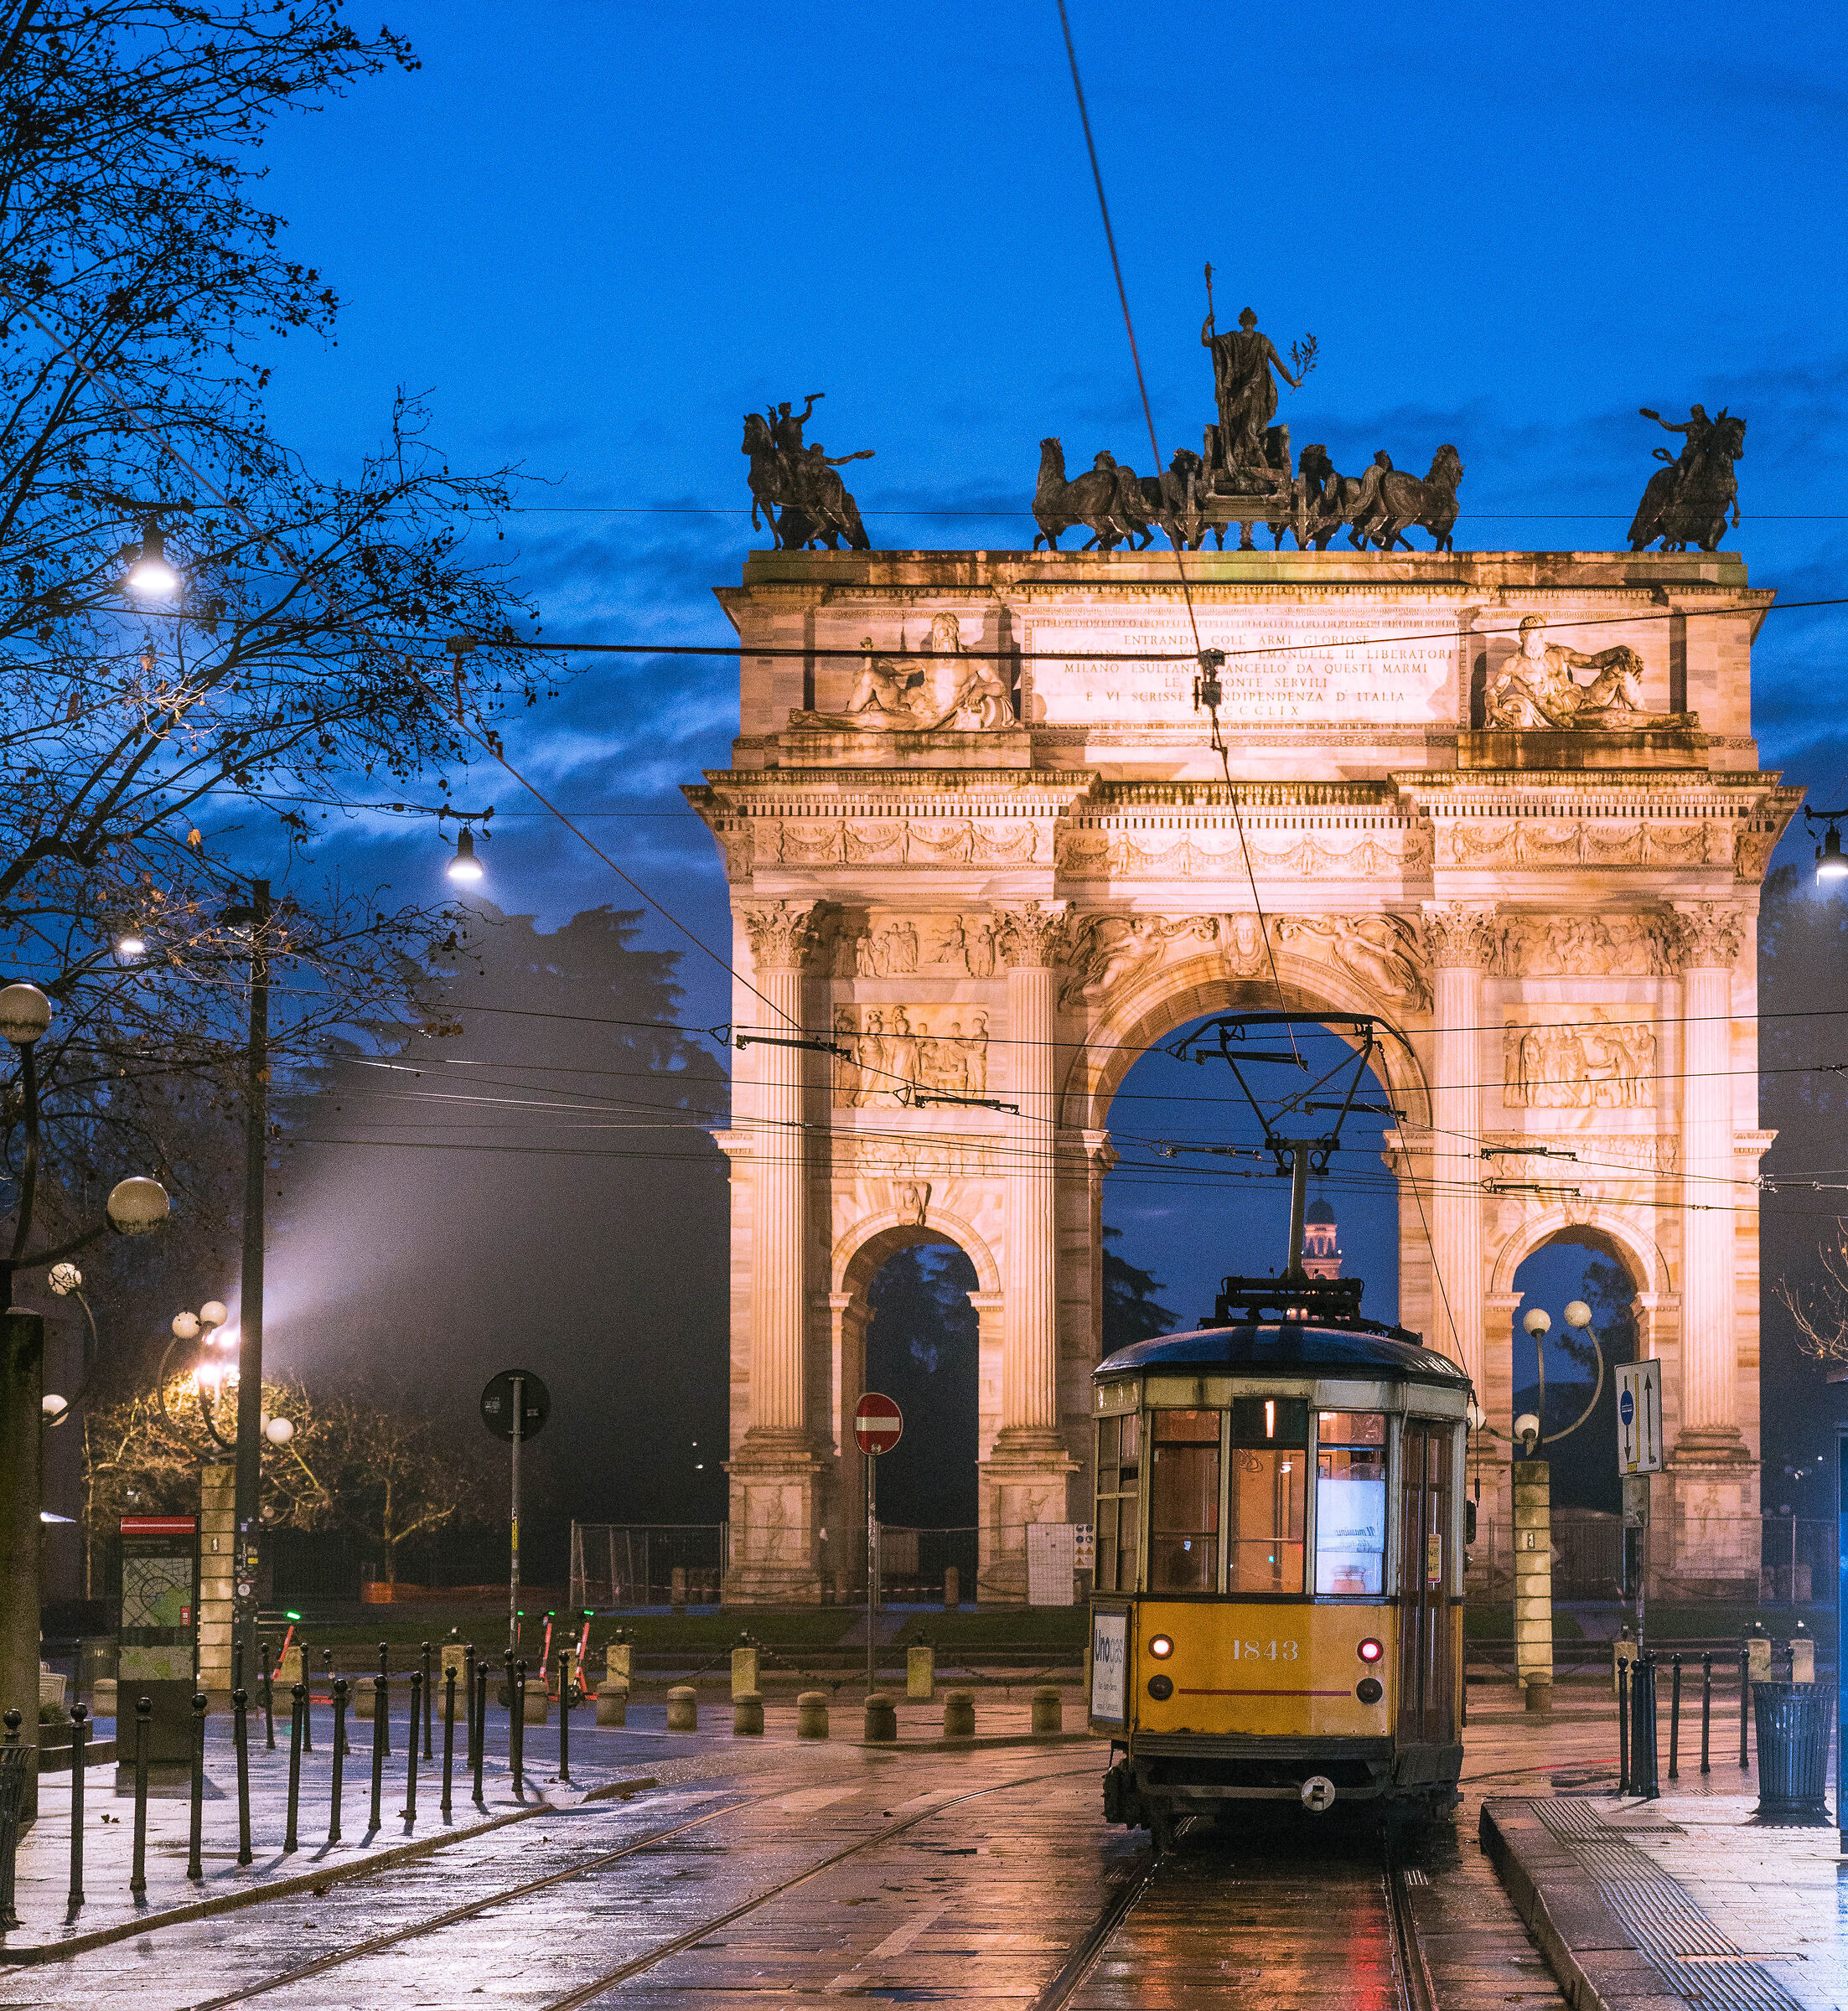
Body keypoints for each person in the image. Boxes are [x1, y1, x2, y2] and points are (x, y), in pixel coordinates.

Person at [1202, 307, 1300, 468]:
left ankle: (1242, 454)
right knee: (1252, 427)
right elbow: (1280, 365)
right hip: (1258, 393)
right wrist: (1293, 382)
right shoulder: (1264, 341)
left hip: (1237, 393)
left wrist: (1206, 325)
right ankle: (1251, 453)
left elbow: (1206, 341)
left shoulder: (1231, 339)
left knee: (1244, 425)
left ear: (1241, 321)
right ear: (1255, 322)